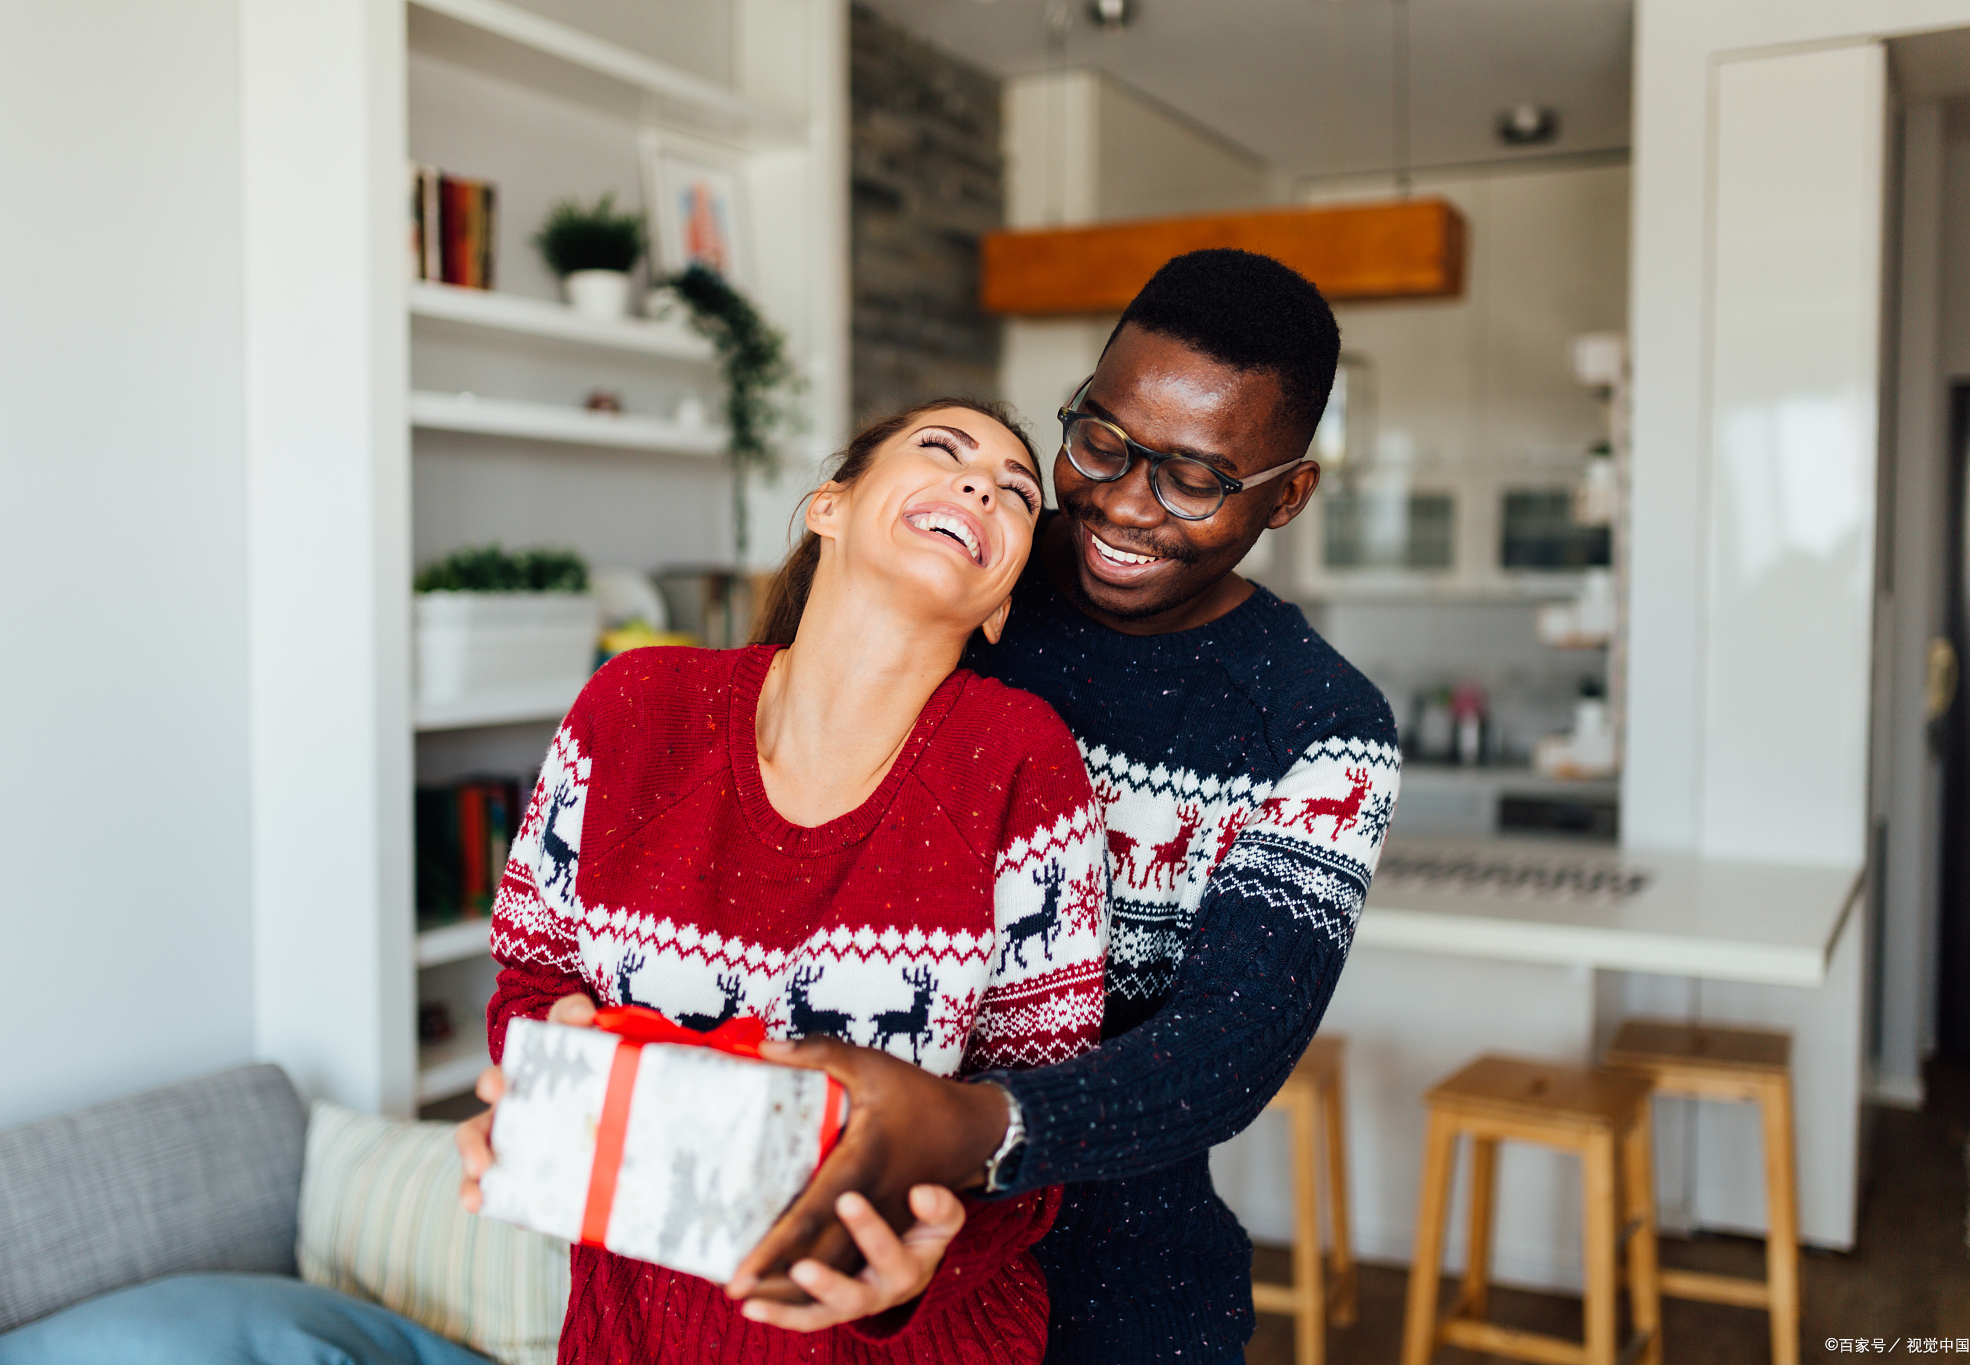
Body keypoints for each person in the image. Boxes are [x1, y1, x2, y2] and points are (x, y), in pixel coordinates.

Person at [727, 249, 1401, 1365]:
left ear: (1286, 494)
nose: (1123, 505)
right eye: (1100, 441)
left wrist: (967, 1126)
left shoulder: (1318, 726)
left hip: (1116, 1301)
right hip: (830, 1251)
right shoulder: (972, 568)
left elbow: (1227, 1047)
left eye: (1194, 479)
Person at [455, 399, 1112, 1364]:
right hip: (639, 1331)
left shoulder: (1020, 761)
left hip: (910, 1343)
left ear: (1003, 600)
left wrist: (924, 1256)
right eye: (942, 451)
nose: (982, 486)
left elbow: (1039, 1126)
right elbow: (528, 988)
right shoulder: (634, 711)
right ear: (828, 509)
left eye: (1018, 493)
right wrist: (550, 1084)